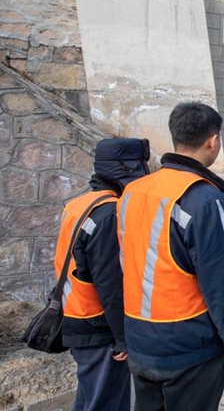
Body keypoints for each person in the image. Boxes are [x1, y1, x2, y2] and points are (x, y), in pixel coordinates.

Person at [118, 102, 224, 410]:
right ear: (213, 141)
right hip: (189, 351)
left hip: (140, 342)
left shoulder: (132, 193)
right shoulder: (204, 200)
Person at [56, 138, 150, 411]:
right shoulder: (109, 213)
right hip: (98, 325)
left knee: (90, 399)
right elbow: (109, 284)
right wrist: (122, 337)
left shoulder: (80, 204)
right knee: (107, 402)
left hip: (75, 315)